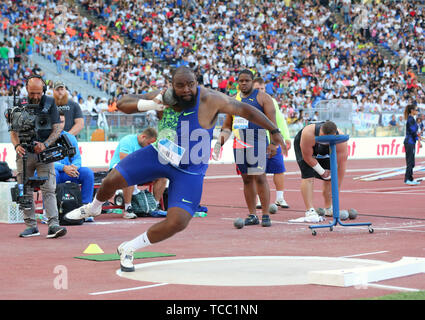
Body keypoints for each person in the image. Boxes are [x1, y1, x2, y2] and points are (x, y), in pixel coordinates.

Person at [65, 66, 285, 272]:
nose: (187, 89)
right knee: (112, 179)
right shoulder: (163, 96)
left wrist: (274, 130)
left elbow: (245, 110)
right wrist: (154, 104)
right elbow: (123, 103)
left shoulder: (210, 98)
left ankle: (129, 247)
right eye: (181, 85)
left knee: (178, 221)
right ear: (172, 85)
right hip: (159, 155)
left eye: (191, 84)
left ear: (196, 82)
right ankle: (94, 207)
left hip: (190, 169)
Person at [214, 70, 284, 228]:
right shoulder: (232, 101)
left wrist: (274, 144)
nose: (243, 83)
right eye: (241, 81)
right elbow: (227, 127)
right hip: (239, 143)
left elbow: (273, 125)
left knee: (260, 177)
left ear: (252, 81)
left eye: (247, 80)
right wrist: (219, 143)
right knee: (246, 180)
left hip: (258, 140)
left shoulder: (263, 98)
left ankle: (265, 215)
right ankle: (252, 214)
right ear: (237, 82)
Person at [10, 75, 67, 238]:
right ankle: (31, 226)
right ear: (27, 89)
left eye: (38, 93)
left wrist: (45, 144)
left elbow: (57, 129)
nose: (35, 96)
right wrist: (17, 145)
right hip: (24, 152)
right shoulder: (18, 104)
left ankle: (53, 225)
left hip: (44, 153)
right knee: (24, 189)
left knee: (49, 188)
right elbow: (13, 132)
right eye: (32, 93)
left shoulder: (50, 103)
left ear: (44, 90)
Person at [293, 120, 348, 222]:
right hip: (306, 147)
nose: (326, 141)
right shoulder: (308, 133)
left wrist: (336, 191)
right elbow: (307, 157)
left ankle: (328, 208)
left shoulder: (340, 141)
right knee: (308, 175)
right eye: (324, 139)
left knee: (329, 177)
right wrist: (321, 171)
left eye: (329, 139)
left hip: (327, 149)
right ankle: (310, 210)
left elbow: (341, 167)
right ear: (321, 133)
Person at [108, 127, 167, 219]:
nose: (149, 146)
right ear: (143, 137)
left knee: (162, 176)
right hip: (118, 171)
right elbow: (124, 159)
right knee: (129, 173)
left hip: (140, 172)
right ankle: (128, 209)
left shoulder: (150, 146)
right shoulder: (127, 140)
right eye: (149, 143)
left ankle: (154, 206)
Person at [252, 77, 291, 209]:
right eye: (257, 89)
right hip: (256, 140)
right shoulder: (248, 102)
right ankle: (257, 199)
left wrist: (286, 137)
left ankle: (280, 198)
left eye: (262, 88)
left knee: (279, 169)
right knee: (257, 171)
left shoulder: (271, 101)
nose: (260, 91)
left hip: (273, 141)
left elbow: (280, 120)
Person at [55, 110, 95, 207]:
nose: (60, 125)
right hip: (52, 173)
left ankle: (85, 208)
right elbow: (44, 163)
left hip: (67, 172)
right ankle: (48, 212)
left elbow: (77, 158)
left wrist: (74, 167)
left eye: (63, 122)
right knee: (52, 173)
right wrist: (64, 167)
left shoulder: (70, 137)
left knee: (87, 173)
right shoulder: (43, 137)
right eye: (58, 121)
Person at [404, 105, 421, 185]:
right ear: (412, 110)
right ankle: (407, 179)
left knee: (412, 162)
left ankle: (410, 178)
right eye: (416, 110)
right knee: (410, 162)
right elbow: (413, 132)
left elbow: (414, 132)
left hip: (411, 142)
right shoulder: (410, 119)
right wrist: (418, 140)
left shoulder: (411, 119)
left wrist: (418, 137)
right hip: (409, 142)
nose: (417, 111)